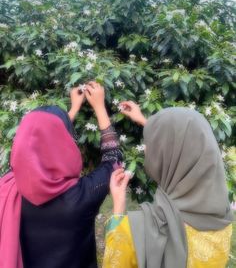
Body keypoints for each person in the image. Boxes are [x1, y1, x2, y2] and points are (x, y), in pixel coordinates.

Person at [0, 81, 123, 268]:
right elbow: (114, 160)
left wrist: (72, 110)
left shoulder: (8, 188)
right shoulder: (84, 195)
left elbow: (37, 146)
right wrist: (99, 107)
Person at [103, 102, 233, 268]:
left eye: (150, 145)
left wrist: (118, 210)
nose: (146, 150)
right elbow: (185, 142)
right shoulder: (223, 219)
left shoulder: (135, 233)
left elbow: (114, 261)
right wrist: (145, 121)